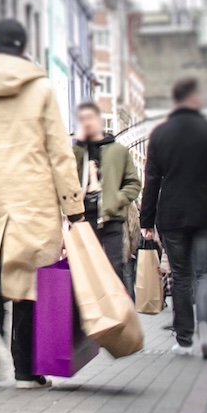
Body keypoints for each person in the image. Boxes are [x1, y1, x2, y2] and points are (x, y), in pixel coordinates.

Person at [0, 18, 85, 389]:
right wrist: (74, 206)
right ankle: (26, 371)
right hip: (35, 194)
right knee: (29, 282)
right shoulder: (40, 87)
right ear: (24, 48)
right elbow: (59, 150)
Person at [139, 77, 207, 359]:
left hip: (173, 213)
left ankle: (184, 340)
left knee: (180, 276)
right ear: (195, 99)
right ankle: (206, 330)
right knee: (206, 274)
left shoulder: (161, 134)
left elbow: (151, 179)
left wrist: (146, 221)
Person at [72, 101, 142, 288]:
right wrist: (78, 146)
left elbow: (134, 183)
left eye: (90, 118)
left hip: (111, 219)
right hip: (83, 220)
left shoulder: (117, 150)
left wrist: (116, 200)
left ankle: (117, 315)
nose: (87, 123)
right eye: (82, 119)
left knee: (113, 271)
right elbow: (68, 177)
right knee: (86, 274)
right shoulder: (77, 151)